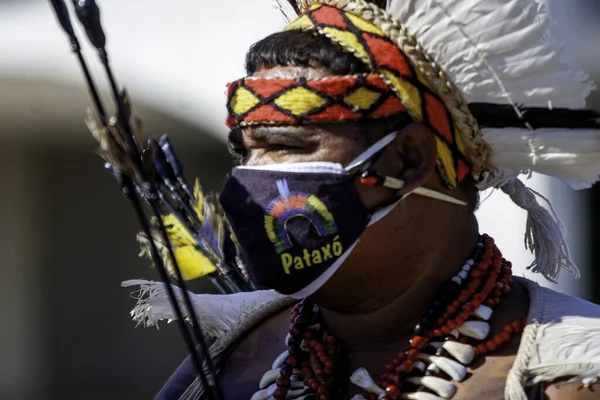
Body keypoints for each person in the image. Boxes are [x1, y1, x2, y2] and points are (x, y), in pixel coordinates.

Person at [130, 0, 600, 399]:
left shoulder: (569, 374)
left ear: (407, 159)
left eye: (287, 147)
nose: (251, 179)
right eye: (245, 151)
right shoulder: (235, 360)